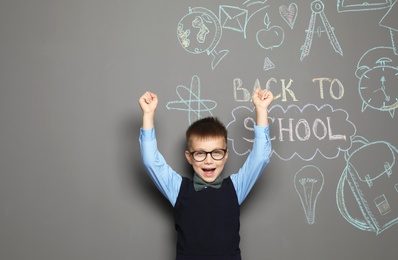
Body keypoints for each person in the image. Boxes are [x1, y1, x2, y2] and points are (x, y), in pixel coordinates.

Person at [138, 88, 273, 260]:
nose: (208, 161)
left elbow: (260, 157)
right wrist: (148, 114)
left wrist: (261, 110)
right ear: (189, 157)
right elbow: (151, 161)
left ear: (226, 156)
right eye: (200, 153)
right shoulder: (178, 189)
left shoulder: (235, 187)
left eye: (216, 152)